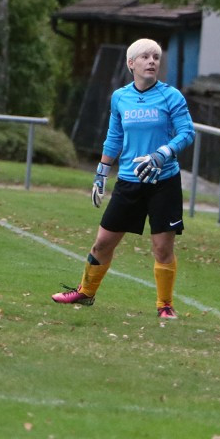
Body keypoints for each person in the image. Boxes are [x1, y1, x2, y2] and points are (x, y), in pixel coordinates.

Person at [52, 38, 196, 319]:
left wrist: (162, 154)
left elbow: (187, 133)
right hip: (129, 181)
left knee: (162, 247)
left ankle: (165, 306)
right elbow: (115, 137)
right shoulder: (120, 97)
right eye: (145, 57)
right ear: (131, 64)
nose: (152, 61)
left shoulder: (172, 96)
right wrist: (101, 174)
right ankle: (85, 293)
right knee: (102, 243)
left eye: (155, 56)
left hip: (163, 181)